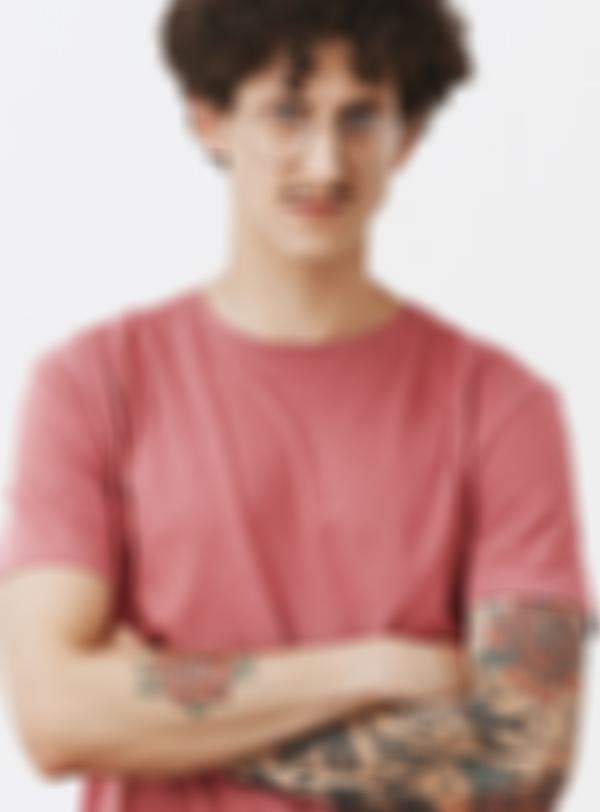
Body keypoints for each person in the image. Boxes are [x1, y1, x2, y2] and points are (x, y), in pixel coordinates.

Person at [0, 1, 597, 810]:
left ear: (407, 138)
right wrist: (378, 667)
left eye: (360, 117)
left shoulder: (502, 408)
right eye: (287, 114)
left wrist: (153, 712)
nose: (324, 163)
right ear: (211, 122)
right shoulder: (93, 386)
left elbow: (524, 759)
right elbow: (54, 717)